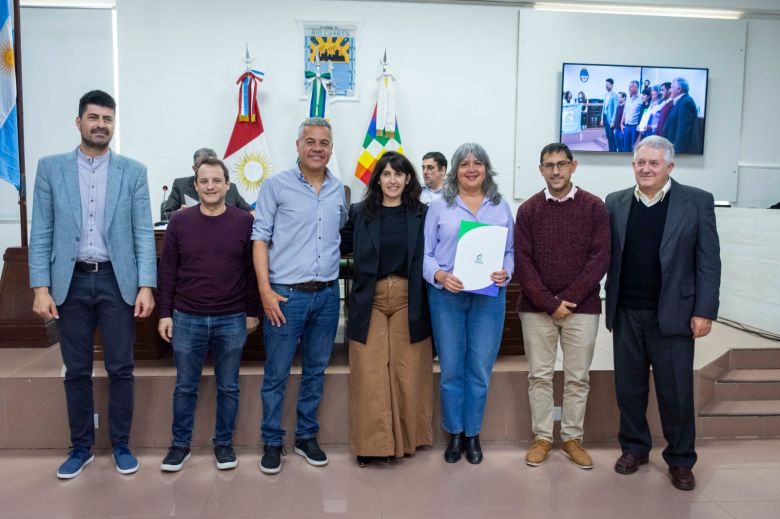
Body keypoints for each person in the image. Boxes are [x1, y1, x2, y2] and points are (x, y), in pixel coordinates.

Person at [28, 90, 156, 479]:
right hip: (71, 283)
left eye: (108, 119)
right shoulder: (51, 168)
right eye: (94, 117)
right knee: (77, 370)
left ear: (114, 124)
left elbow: (142, 234)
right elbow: (42, 231)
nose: (101, 125)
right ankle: (80, 448)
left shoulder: (133, 172)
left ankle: (121, 445)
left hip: (118, 282)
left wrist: (146, 285)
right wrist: (40, 287)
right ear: (79, 121)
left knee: (121, 367)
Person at [605, 135, 721, 491]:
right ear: (633, 165)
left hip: (674, 314)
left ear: (669, 167)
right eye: (641, 162)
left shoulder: (696, 202)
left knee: (676, 393)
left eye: (654, 163)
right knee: (629, 389)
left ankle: (681, 459)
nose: (646, 168)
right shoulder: (616, 202)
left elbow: (708, 261)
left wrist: (704, 311)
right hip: (627, 312)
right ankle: (635, 449)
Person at [252, 117, 347, 475]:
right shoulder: (275, 186)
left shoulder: (340, 190)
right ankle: (272, 441)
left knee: (315, 372)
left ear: (331, 149)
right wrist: (265, 291)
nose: (317, 148)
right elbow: (259, 239)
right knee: (276, 373)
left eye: (324, 142)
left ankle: (306, 436)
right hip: (284, 298)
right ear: (297, 146)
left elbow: (338, 233)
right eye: (310, 141)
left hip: (325, 297)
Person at [157, 157, 260, 472]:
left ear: (228, 185)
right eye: (204, 181)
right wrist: (165, 313)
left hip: (232, 318)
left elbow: (252, 271)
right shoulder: (179, 221)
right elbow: (168, 270)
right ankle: (180, 446)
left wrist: (253, 311)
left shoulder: (244, 221)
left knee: (228, 386)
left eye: (217, 181)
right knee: (185, 385)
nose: (211, 186)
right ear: (196, 185)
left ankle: (224, 444)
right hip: (187, 317)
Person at [515, 143, 610, 469]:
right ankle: (542, 438)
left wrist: (568, 299)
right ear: (540, 170)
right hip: (536, 309)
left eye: (561, 164)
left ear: (573, 166)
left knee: (577, 378)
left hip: (581, 309)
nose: (555, 171)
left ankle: (572, 438)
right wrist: (549, 303)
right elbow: (523, 264)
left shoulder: (594, 207)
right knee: (539, 376)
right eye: (548, 165)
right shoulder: (528, 210)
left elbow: (600, 258)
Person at [423, 143, 514, 465]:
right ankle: (455, 433)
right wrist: (440, 276)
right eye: (465, 164)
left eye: (478, 163)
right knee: (451, 368)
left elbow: (509, 252)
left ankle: (473, 434)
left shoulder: (500, 206)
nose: (472, 169)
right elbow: (426, 255)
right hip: (447, 297)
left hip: (488, 299)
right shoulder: (438, 206)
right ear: (455, 170)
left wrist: (507, 272)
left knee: (478, 368)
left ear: (487, 169)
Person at [340, 151, 432, 467]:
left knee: (408, 371)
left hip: (411, 298)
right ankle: (372, 446)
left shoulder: (423, 213)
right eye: (387, 174)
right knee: (369, 371)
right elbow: (334, 247)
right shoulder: (359, 213)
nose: (392, 180)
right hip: (371, 300)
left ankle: (407, 442)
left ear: (408, 179)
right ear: (377, 178)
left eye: (399, 174)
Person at [162, 147, 253, 220]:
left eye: (212, 165)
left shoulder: (230, 187)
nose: (210, 187)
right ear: (194, 168)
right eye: (203, 166)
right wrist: (180, 213)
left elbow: (249, 211)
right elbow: (166, 214)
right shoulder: (180, 185)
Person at [662, 77, 701, 154]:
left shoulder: (685, 102)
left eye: (672, 88)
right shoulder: (681, 101)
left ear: (679, 89)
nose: (670, 90)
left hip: (680, 151)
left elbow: (683, 130)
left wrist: (676, 152)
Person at [622, 81, 642, 152]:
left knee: (635, 148)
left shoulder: (641, 98)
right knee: (626, 148)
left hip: (634, 127)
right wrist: (621, 123)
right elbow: (625, 110)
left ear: (636, 88)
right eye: (629, 86)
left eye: (631, 87)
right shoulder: (627, 98)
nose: (629, 88)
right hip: (627, 126)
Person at [602, 79, 619, 152]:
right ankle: (610, 151)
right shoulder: (605, 95)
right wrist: (602, 119)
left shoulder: (615, 95)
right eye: (606, 84)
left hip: (611, 119)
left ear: (612, 85)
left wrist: (613, 121)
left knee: (612, 137)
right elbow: (603, 107)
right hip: (605, 118)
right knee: (608, 136)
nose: (606, 85)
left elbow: (615, 109)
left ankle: (614, 151)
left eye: (608, 84)